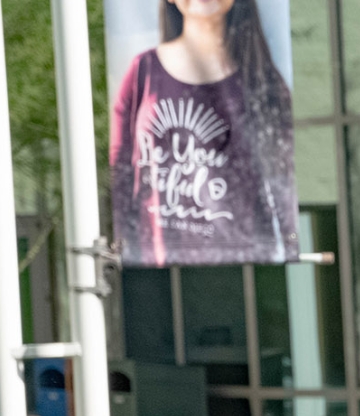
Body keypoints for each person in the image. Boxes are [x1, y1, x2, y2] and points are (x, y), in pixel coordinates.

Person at [109, 0, 299, 265]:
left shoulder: (263, 81)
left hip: (245, 263)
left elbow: (281, 177)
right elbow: (121, 169)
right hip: (157, 263)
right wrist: (124, 244)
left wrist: (291, 250)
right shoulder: (143, 72)